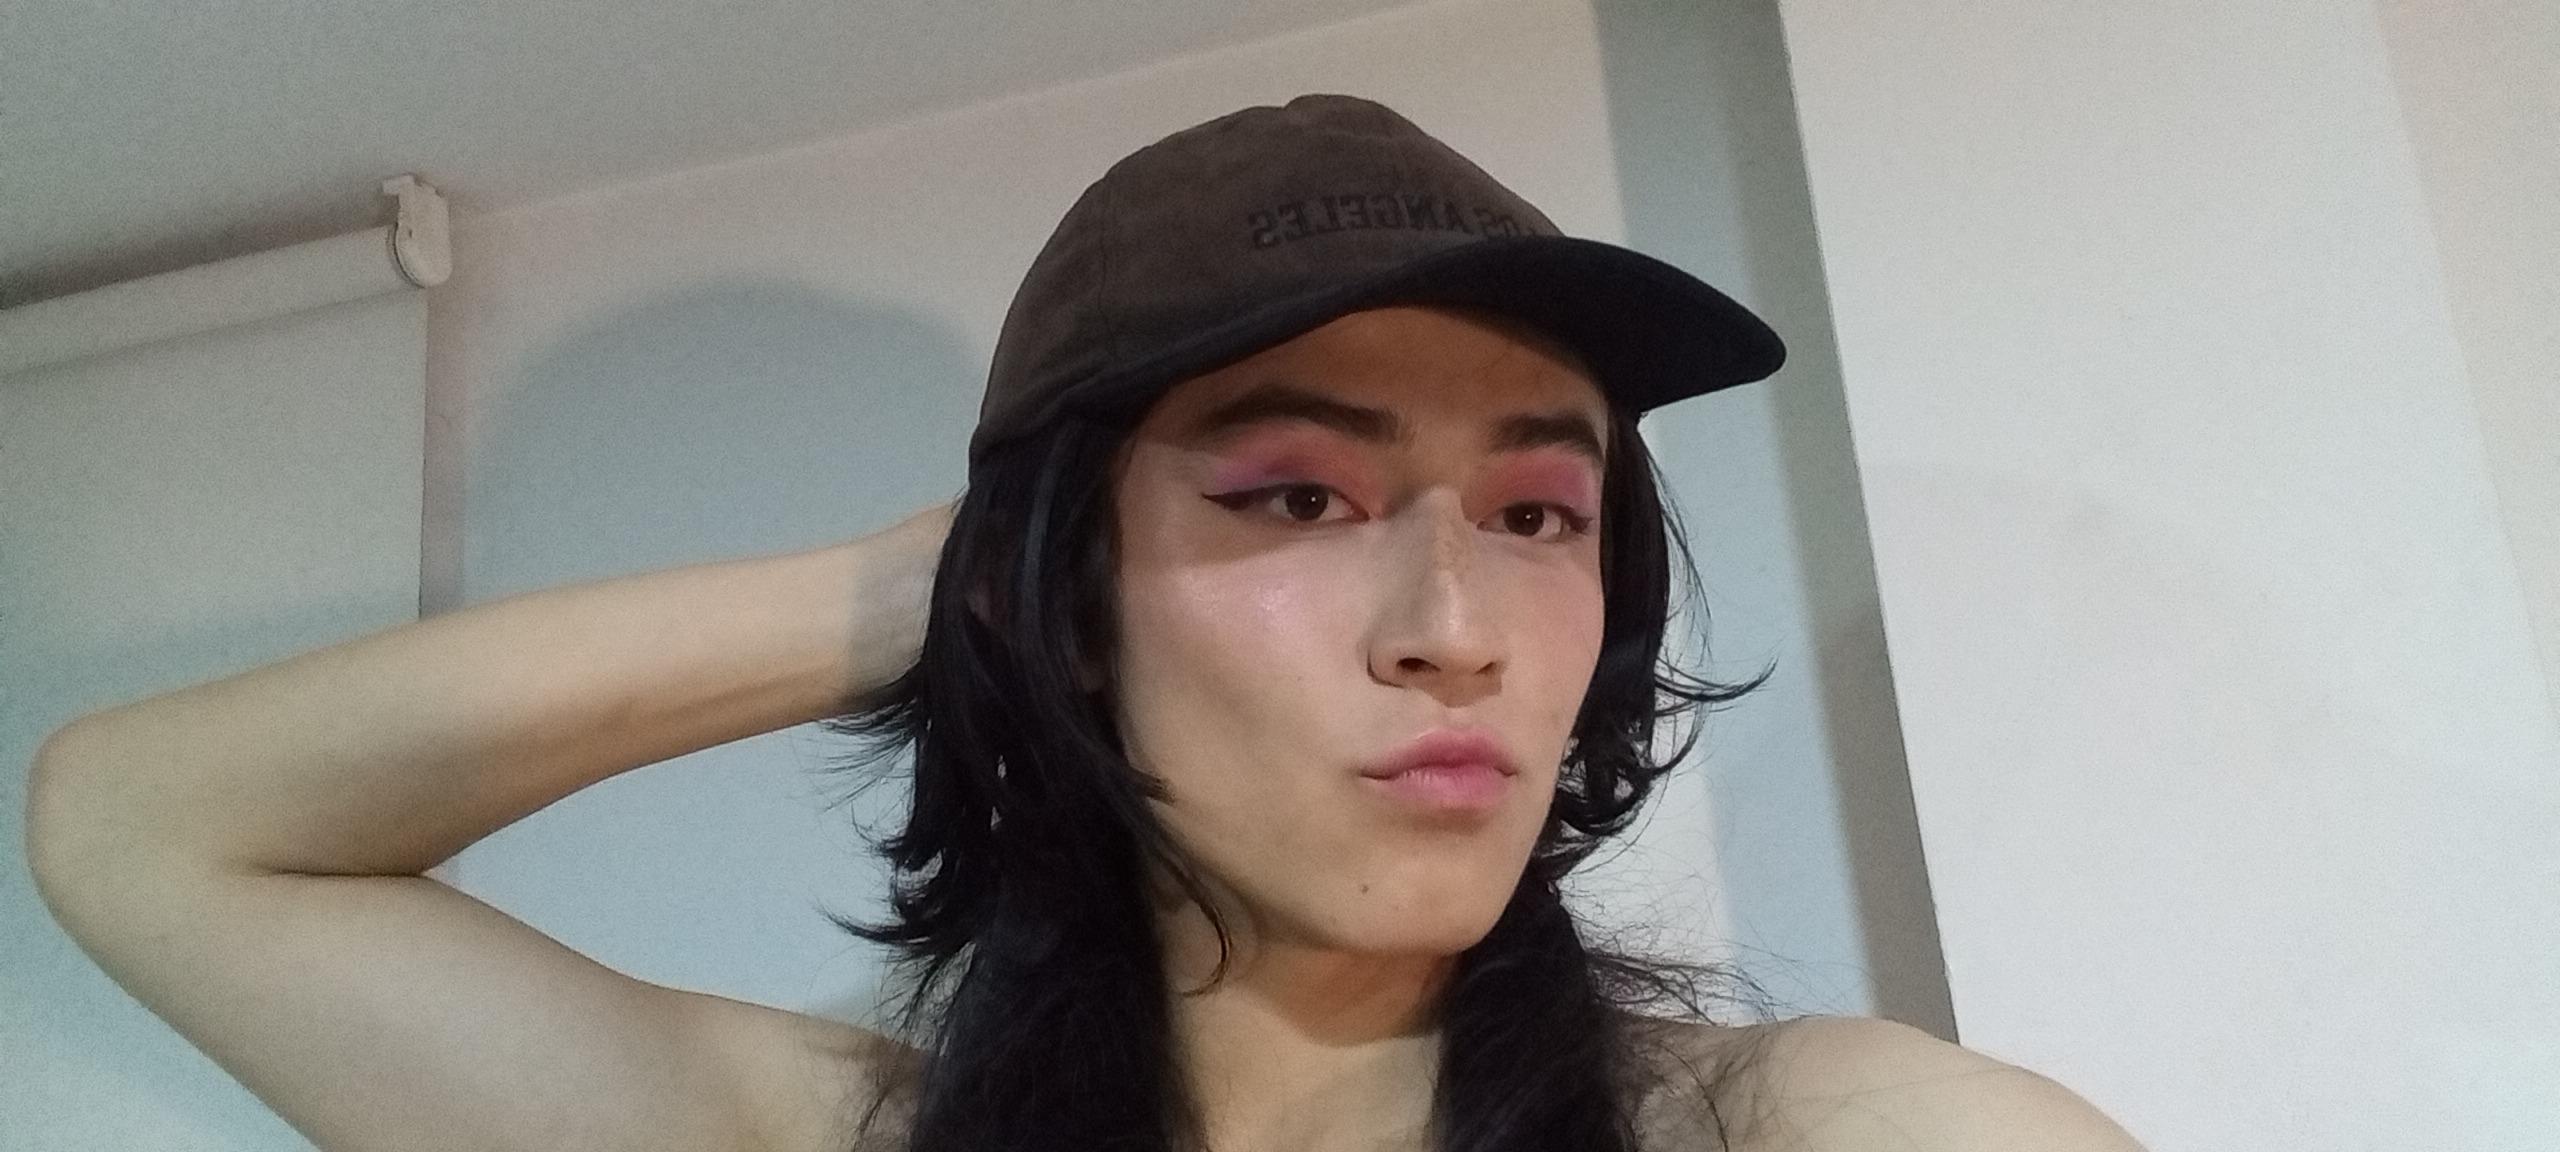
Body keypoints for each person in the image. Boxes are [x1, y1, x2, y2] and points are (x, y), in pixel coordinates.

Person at [26, 95, 2147, 1151]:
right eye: (1296, 495)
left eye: (1535, 511)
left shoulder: (1830, 1134)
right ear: (1062, 598)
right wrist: (921, 596)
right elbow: (149, 828)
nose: (1455, 625)